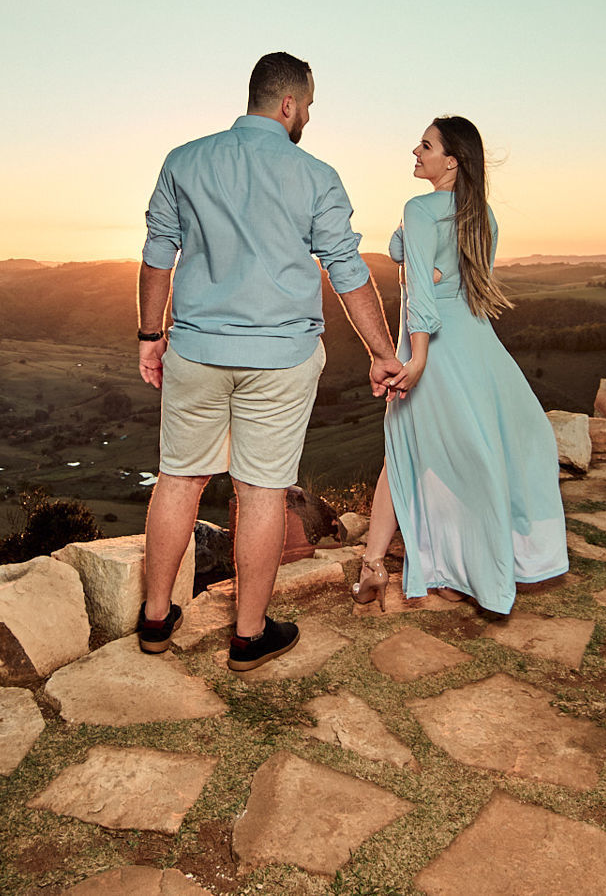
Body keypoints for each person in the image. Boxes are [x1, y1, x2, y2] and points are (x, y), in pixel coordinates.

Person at [135, 52, 405, 670]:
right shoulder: (316, 175)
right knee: (261, 491)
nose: (307, 116)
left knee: (179, 479)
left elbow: (157, 255)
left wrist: (151, 335)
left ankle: (154, 619)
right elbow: (346, 270)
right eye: (306, 105)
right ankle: (249, 637)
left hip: (196, 349)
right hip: (281, 359)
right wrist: (382, 353)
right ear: (288, 104)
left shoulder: (183, 160)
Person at [352, 115, 568, 612]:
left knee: (417, 450)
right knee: (444, 447)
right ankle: (402, 564)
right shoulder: (481, 215)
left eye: (425, 145)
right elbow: (468, 283)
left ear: (451, 161)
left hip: (435, 346)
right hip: (476, 342)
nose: (416, 151)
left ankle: (432, 568)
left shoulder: (420, 209)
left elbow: (420, 290)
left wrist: (418, 357)